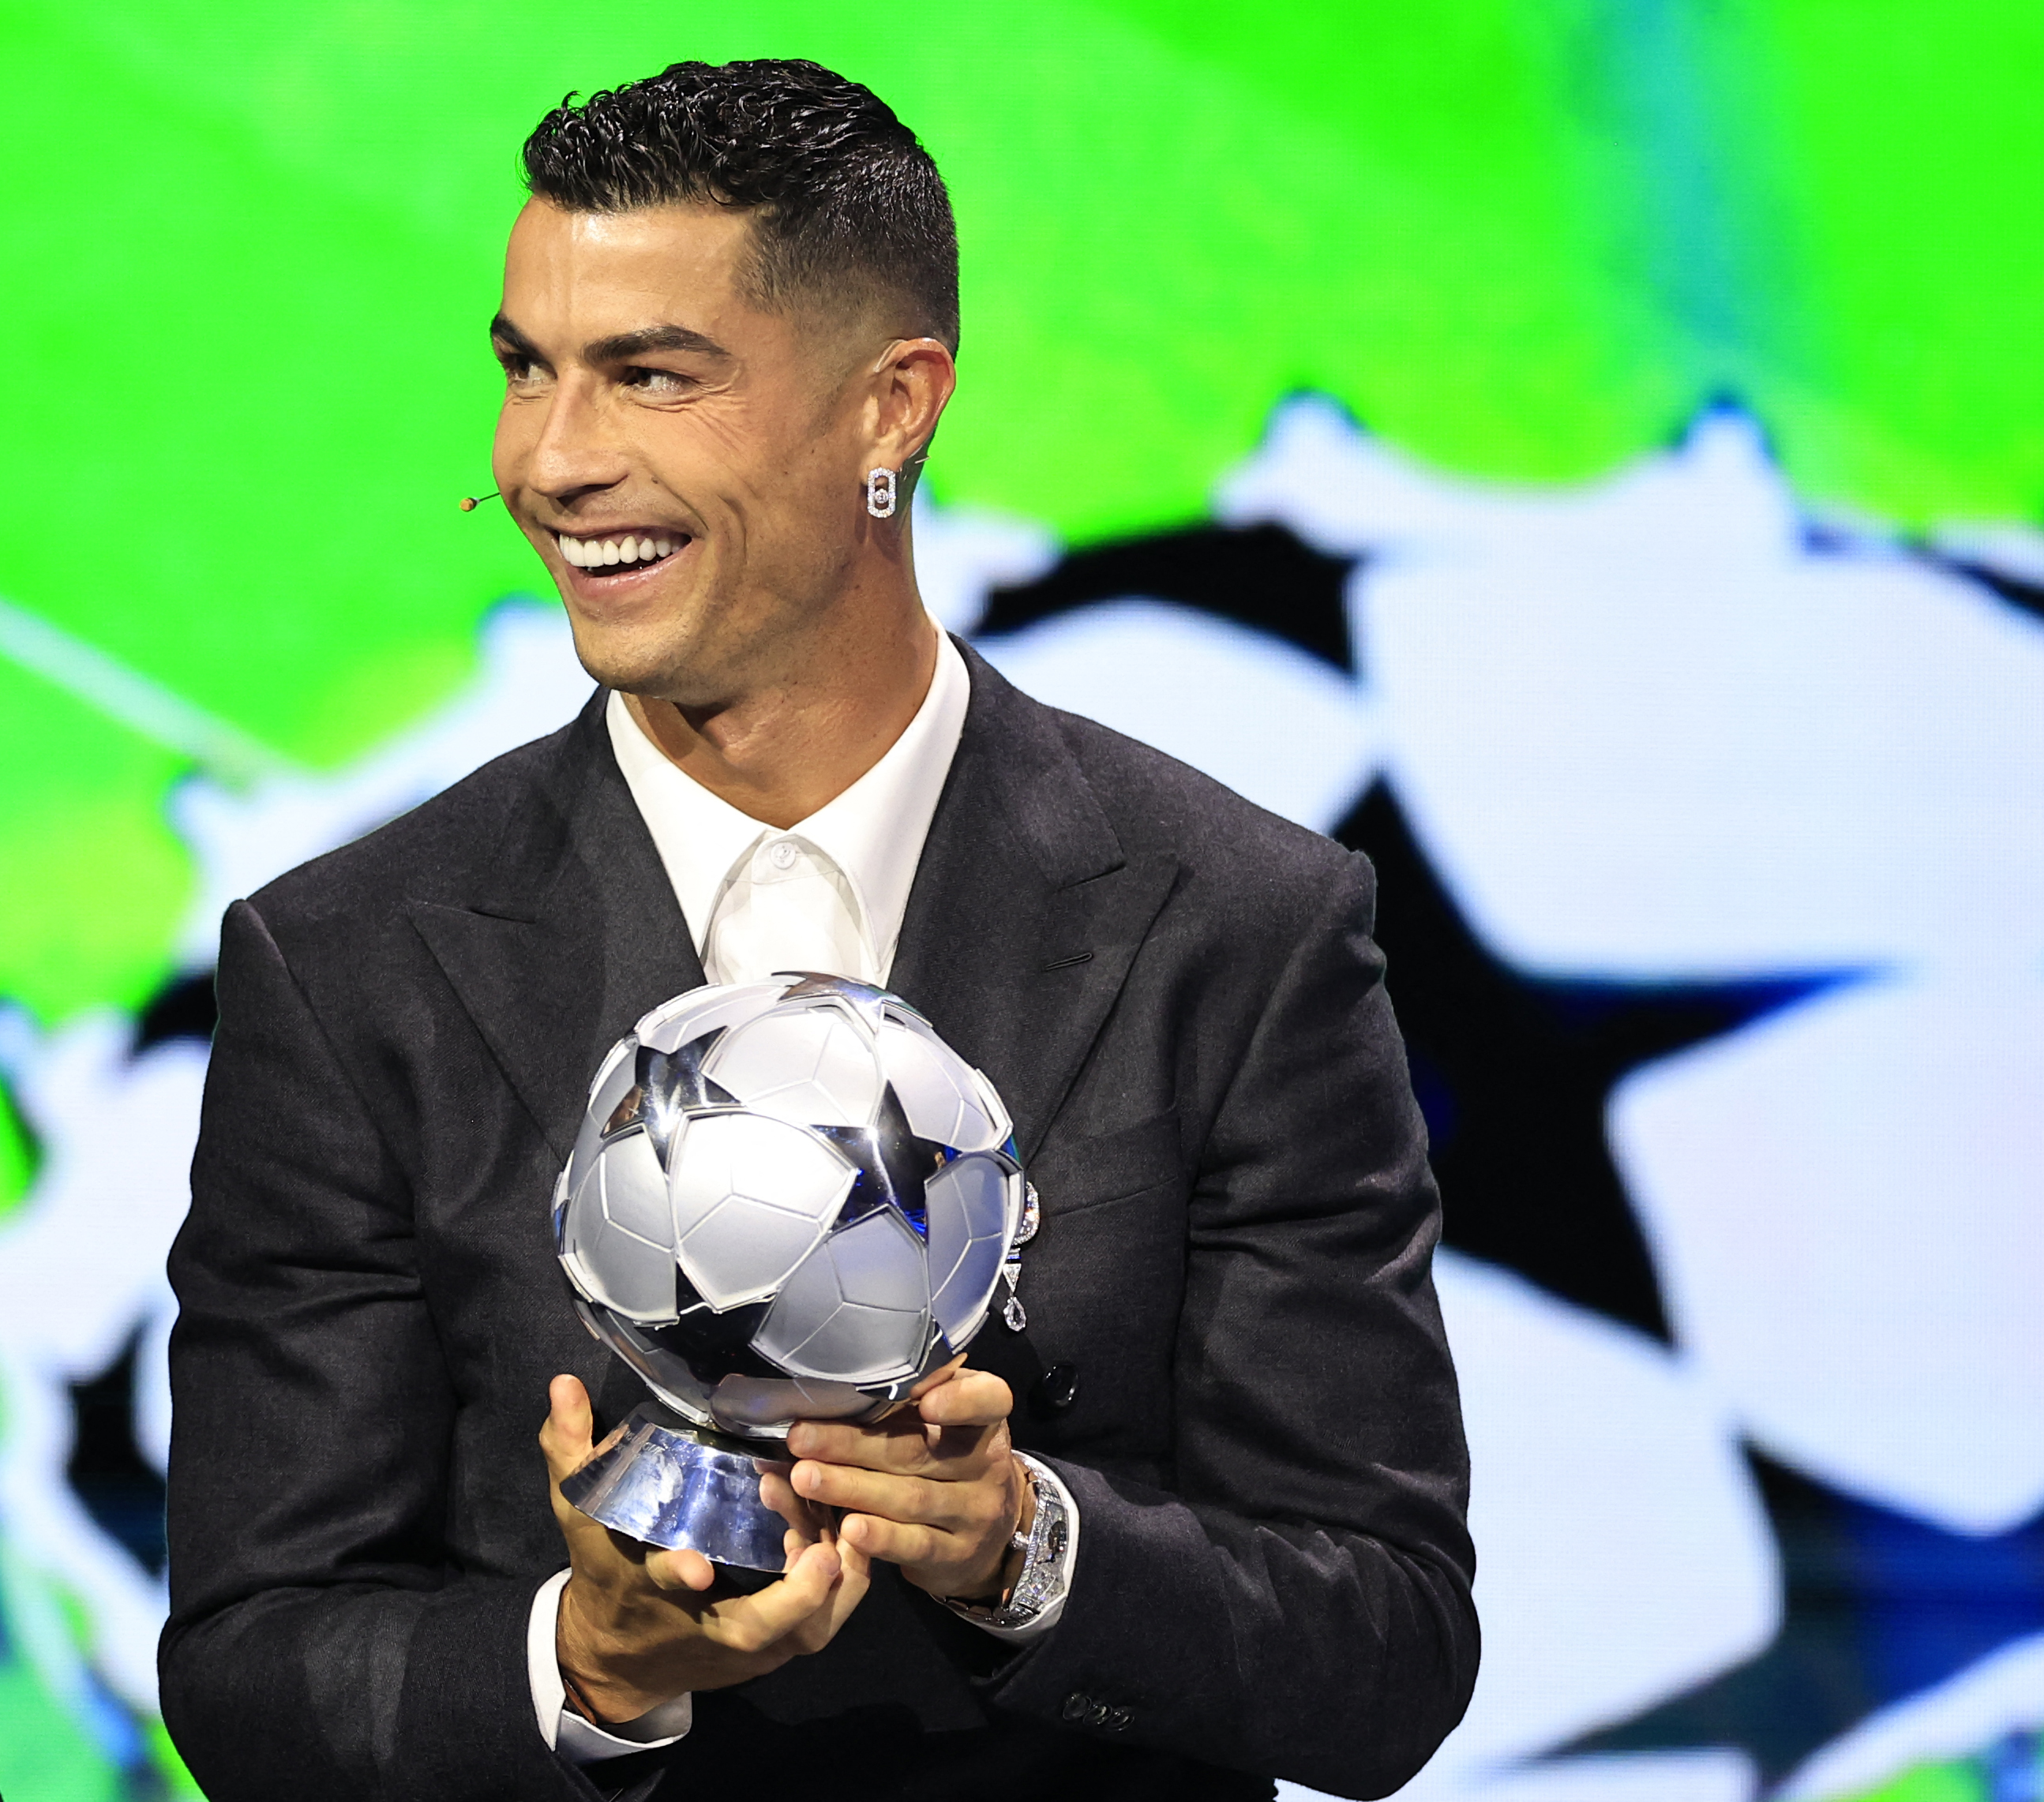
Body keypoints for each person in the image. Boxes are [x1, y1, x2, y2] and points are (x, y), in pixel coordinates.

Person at [158, 58, 1476, 1802]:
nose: (552, 460)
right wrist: (590, 1661)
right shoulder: (348, 964)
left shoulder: (1237, 928)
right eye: (528, 369)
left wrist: (1030, 1547)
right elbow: (254, 1666)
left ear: (891, 410)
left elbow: (1382, 1654)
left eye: (650, 377)